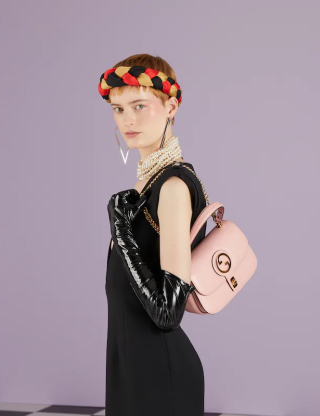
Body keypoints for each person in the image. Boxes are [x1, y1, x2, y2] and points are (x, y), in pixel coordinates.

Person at [99, 54, 208, 416]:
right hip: (130, 370)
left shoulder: (173, 186)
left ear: (171, 107)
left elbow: (168, 313)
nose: (127, 120)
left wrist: (120, 228)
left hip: (160, 379)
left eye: (139, 106)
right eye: (118, 109)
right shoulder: (146, 185)